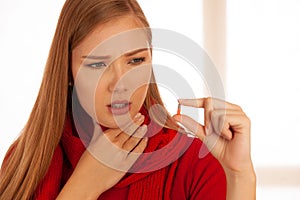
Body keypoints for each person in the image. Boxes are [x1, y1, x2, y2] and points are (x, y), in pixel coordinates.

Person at [0, 0, 256, 199]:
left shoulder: (192, 165)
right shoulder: (26, 162)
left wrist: (239, 175)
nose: (120, 84)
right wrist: (83, 188)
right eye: (98, 64)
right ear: (68, 71)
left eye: (136, 60)